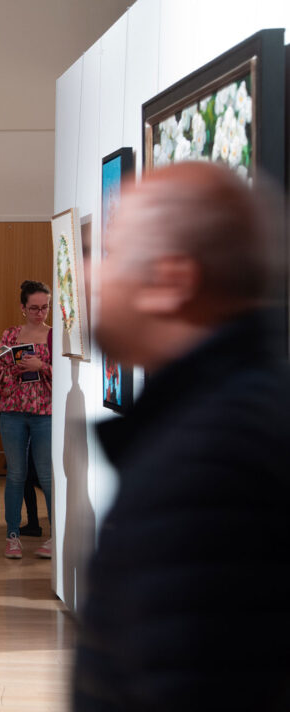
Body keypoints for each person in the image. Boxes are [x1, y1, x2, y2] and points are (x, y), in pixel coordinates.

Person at [73, 162, 290, 710]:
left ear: (171, 281)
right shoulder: (224, 417)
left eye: (113, 254)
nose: (92, 277)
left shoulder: (209, 464)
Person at [0, 280, 54, 559]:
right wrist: (14, 371)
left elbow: (68, 377)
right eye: (34, 308)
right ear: (23, 308)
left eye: (45, 308)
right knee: (16, 475)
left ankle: (56, 536)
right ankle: (13, 536)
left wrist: (43, 367)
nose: (40, 313)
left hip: (45, 412)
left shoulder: (55, 337)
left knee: (47, 477)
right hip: (14, 411)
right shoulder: (11, 335)